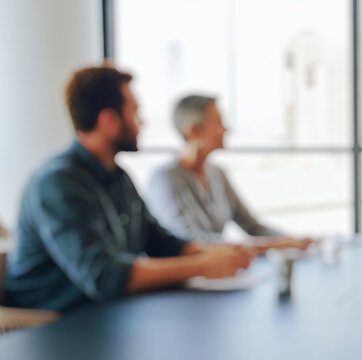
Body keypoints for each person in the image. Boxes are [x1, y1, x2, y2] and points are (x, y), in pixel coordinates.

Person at [4, 66, 255, 311]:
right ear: (109, 121)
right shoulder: (57, 183)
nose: (142, 122)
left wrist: (219, 252)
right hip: (51, 323)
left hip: (104, 313)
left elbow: (160, 242)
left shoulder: (118, 177)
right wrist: (202, 266)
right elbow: (104, 276)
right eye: (135, 112)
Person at [147, 95, 312, 252]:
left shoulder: (217, 173)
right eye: (218, 122)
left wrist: (293, 241)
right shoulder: (164, 179)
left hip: (219, 273)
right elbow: (190, 241)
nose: (226, 129)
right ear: (193, 131)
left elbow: (253, 226)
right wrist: (272, 247)